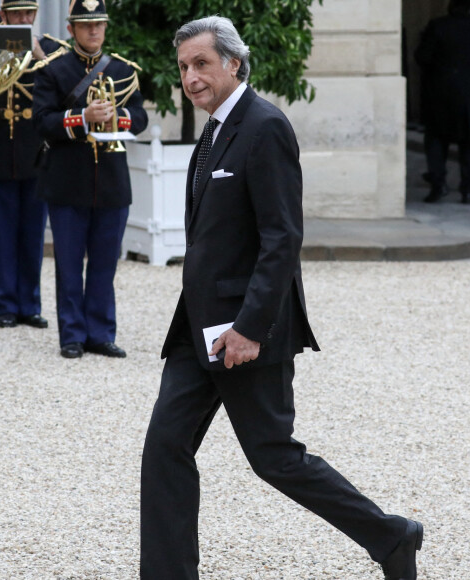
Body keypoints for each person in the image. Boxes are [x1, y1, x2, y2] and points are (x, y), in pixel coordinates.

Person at [140, 16, 423, 580]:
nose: (191, 77)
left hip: (244, 332)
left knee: (274, 458)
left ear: (233, 64)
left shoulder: (265, 125)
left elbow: (281, 238)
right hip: (198, 333)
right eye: (184, 67)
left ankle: (392, 536)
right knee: (165, 449)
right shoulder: (216, 128)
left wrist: (249, 327)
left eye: (201, 64)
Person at [33, 0, 148, 359]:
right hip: (67, 181)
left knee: (104, 262)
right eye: (86, 25)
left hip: (111, 181)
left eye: (99, 24)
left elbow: (141, 117)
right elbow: (42, 121)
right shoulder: (53, 69)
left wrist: (119, 116)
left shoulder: (124, 70)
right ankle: (72, 335)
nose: (94, 31)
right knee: (68, 263)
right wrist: (82, 116)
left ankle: (100, 332)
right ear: (71, 30)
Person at [0, 1, 64, 329]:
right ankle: (6, 306)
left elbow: (64, 85)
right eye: (17, 15)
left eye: (29, 14)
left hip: (36, 154)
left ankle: (30, 305)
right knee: (3, 235)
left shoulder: (49, 50)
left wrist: (38, 56)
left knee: (33, 236)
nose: (24, 20)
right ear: (3, 17)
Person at [415, 0, 470, 204]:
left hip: (441, 91)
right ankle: (468, 189)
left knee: (437, 141)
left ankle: (438, 185)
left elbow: (423, 57)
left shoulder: (438, 26)